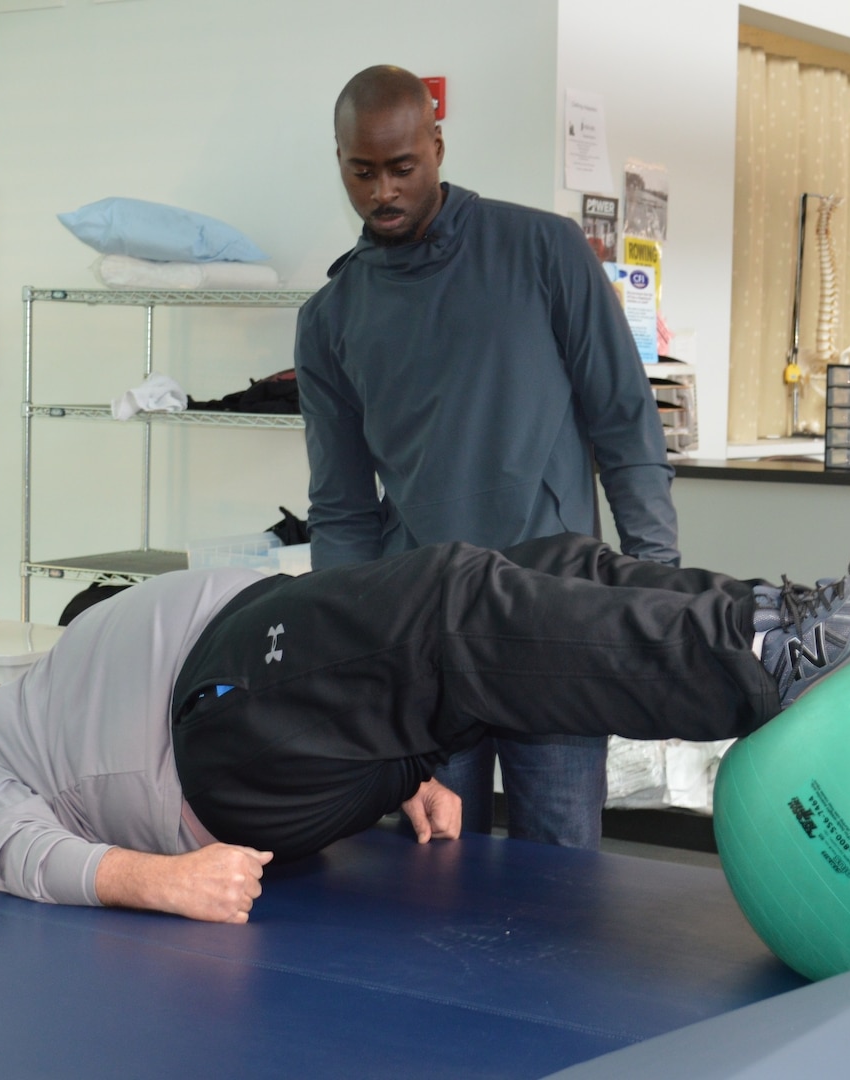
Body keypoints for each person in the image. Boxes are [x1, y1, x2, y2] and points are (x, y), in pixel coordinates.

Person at [0, 525, 850, 924]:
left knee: (547, 566)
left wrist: (395, 776)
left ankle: (794, 619)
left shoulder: (43, 696)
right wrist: (155, 882)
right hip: (221, 716)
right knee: (453, 604)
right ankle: (767, 652)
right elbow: (4, 849)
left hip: (269, 705)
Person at [294, 64, 680, 850]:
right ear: (338, 160)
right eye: (360, 172)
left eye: (401, 168)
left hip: (553, 615)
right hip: (422, 636)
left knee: (561, 867)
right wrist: (347, 647)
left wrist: (654, 575)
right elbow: (340, 505)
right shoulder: (330, 316)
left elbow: (623, 424)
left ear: (436, 145)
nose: (382, 193)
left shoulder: (543, 250)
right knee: (429, 871)